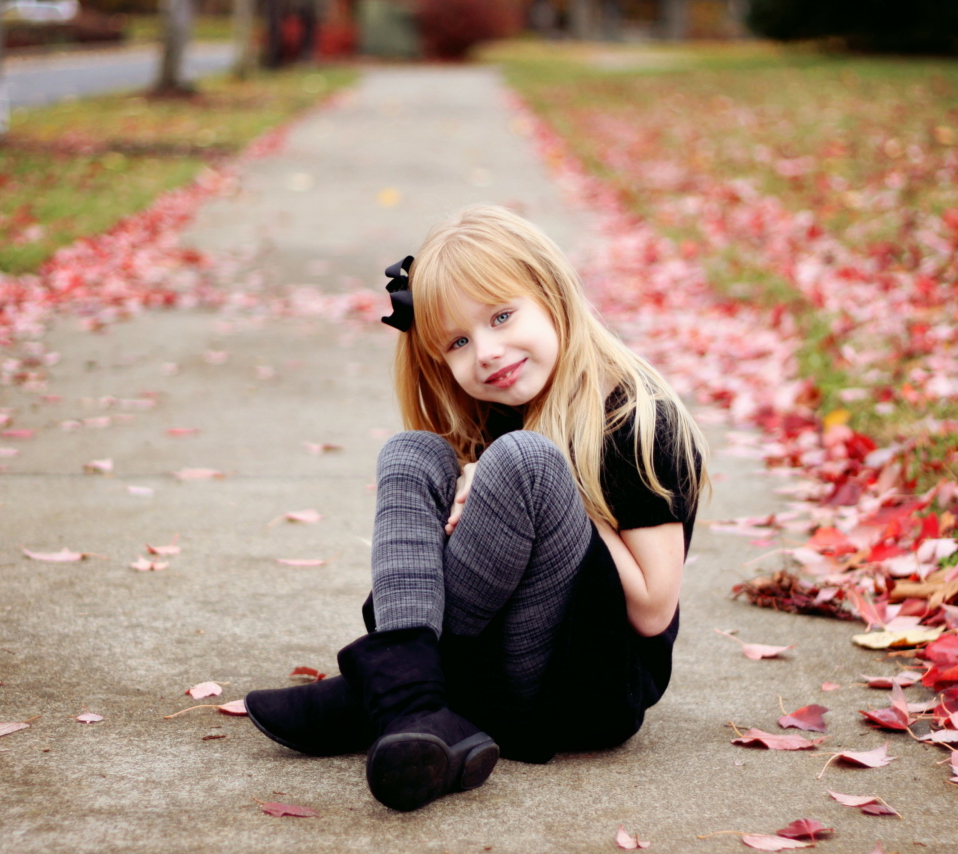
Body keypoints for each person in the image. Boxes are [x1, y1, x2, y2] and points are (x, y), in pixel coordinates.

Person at [245, 204, 710, 813]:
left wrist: (553, 482)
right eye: (459, 342)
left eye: (501, 316)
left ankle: (382, 694)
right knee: (412, 452)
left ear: (552, 294)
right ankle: (414, 704)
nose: (486, 352)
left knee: (526, 461)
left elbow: (653, 608)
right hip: (488, 671)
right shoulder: (497, 409)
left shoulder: (638, 417)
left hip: (581, 687)